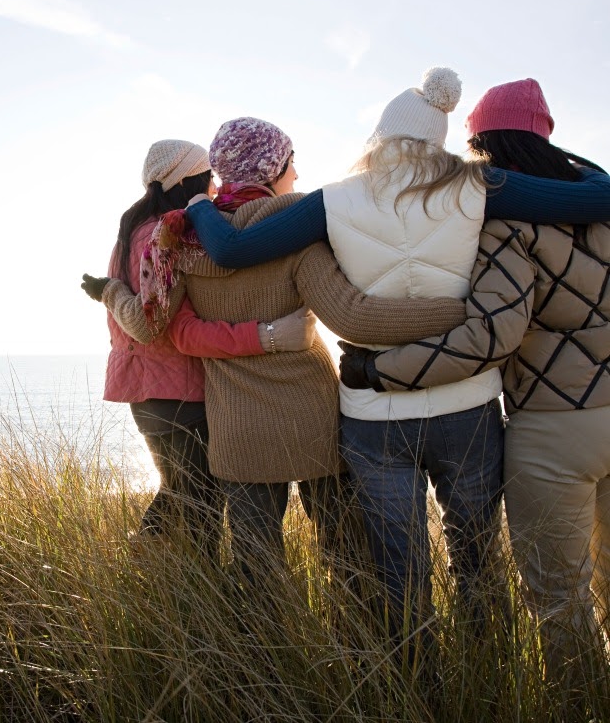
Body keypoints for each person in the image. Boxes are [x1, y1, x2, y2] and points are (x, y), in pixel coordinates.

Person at [180, 67, 599, 680]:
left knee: (398, 569)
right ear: (439, 138)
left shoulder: (334, 200)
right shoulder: (481, 186)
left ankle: (418, 689)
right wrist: (566, 157)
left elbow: (232, 251)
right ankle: (486, 681)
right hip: (469, 404)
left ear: (378, 137)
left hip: (374, 413)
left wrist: (196, 204)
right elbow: (593, 196)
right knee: (477, 560)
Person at [91, 118, 469, 590]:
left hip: (237, 426)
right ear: (272, 169)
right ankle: (355, 654)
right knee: (346, 555)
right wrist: (458, 311)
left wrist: (110, 292)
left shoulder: (183, 240)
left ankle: (263, 661)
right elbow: (354, 317)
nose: (295, 174)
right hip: (312, 418)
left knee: (255, 569)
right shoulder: (295, 233)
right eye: (291, 164)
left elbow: (179, 334)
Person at [339, 78, 609, 697]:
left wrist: (379, 371)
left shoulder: (505, 221)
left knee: (562, 603)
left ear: (483, 147)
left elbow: (491, 334)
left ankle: (582, 708)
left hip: (555, 431)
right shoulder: (602, 201)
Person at [88, 139, 300, 562]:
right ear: (187, 181)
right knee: (200, 513)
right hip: (180, 392)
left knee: (176, 495)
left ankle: (141, 570)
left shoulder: (128, 234)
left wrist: (108, 291)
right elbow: (150, 322)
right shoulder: (166, 234)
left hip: (144, 392)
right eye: (208, 177)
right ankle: (192, 603)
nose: (215, 186)